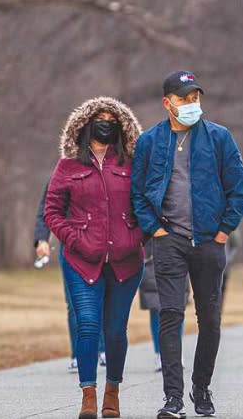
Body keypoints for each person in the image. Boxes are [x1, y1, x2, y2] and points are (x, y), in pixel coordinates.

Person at [132, 71, 243, 419]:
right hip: (168, 241)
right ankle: (173, 398)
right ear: (167, 102)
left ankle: (201, 388)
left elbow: (241, 191)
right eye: (184, 98)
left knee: (210, 320)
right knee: (170, 316)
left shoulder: (219, 138)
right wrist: (154, 229)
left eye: (195, 98)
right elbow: (138, 193)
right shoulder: (150, 141)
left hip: (208, 243)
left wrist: (222, 232)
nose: (191, 104)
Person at [44, 97, 145, 419]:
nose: (105, 123)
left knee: (115, 330)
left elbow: (147, 205)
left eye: (111, 119)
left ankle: (112, 391)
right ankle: (88, 394)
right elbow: (52, 212)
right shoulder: (67, 167)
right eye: (99, 118)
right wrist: (75, 238)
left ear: (121, 127)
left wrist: (135, 236)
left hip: (125, 261)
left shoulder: (132, 163)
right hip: (81, 260)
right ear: (85, 125)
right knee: (88, 325)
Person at [34, 181, 107, 372]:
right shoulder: (60, 175)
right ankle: (78, 354)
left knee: (101, 299)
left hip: (101, 243)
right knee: (74, 303)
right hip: (70, 245)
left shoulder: (102, 168)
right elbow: (46, 209)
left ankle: (103, 349)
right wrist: (42, 239)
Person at [138, 240, 188, 372]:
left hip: (178, 257)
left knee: (176, 309)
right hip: (152, 261)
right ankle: (159, 353)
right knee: (156, 310)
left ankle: (175, 351)